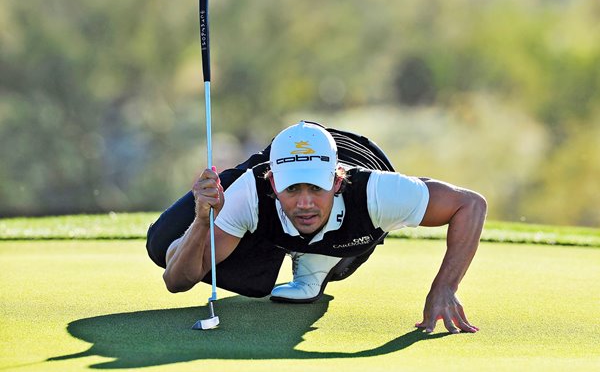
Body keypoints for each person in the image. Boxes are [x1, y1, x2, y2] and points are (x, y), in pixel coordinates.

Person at [146, 121, 487, 334]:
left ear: (336, 182)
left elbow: (470, 204)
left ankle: (316, 260)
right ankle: (294, 244)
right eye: (293, 189)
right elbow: (177, 282)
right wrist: (203, 220)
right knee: (162, 245)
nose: (305, 202)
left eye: (315, 188)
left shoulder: (378, 193)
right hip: (270, 179)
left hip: (358, 166)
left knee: (341, 255)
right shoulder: (251, 192)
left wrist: (445, 287)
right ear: (274, 183)